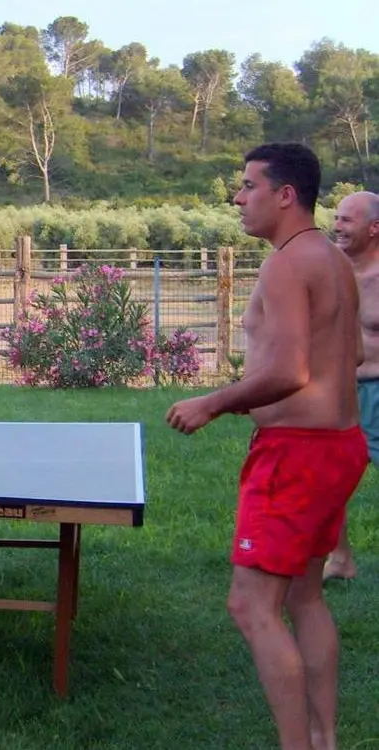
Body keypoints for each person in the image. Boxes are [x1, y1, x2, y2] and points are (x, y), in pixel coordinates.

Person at [166, 143, 369, 750]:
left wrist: (213, 401)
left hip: (296, 454)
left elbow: (288, 371)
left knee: (252, 606)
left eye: (248, 185)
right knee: (305, 596)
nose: (238, 197)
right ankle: (324, 737)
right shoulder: (332, 260)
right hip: (339, 445)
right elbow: (353, 356)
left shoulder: (286, 263)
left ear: (285, 195)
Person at [327, 190, 379, 580]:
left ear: (374, 228)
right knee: (327, 481)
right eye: (337, 218)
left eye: (347, 220)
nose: (337, 226)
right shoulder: (328, 269)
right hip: (336, 392)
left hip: (377, 390)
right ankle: (341, 560)